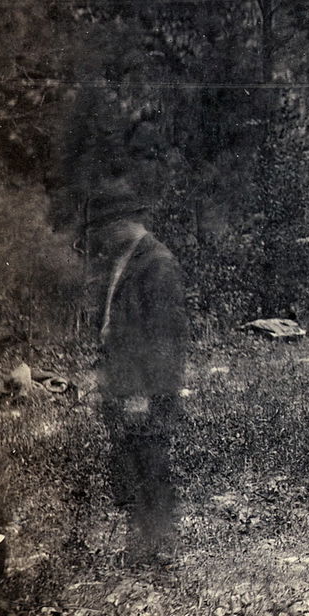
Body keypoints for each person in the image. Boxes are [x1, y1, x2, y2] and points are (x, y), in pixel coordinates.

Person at [85, 181, 189, 567]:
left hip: (147, 388)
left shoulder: (156, 263)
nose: (99, 236)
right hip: (126, 384)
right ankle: (141, 546)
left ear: (123, 222)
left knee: (151, 465)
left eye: (104, 226)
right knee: (131, 466)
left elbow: (166, 337)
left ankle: (161, 549)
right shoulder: (125, 260)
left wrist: (146, 392)